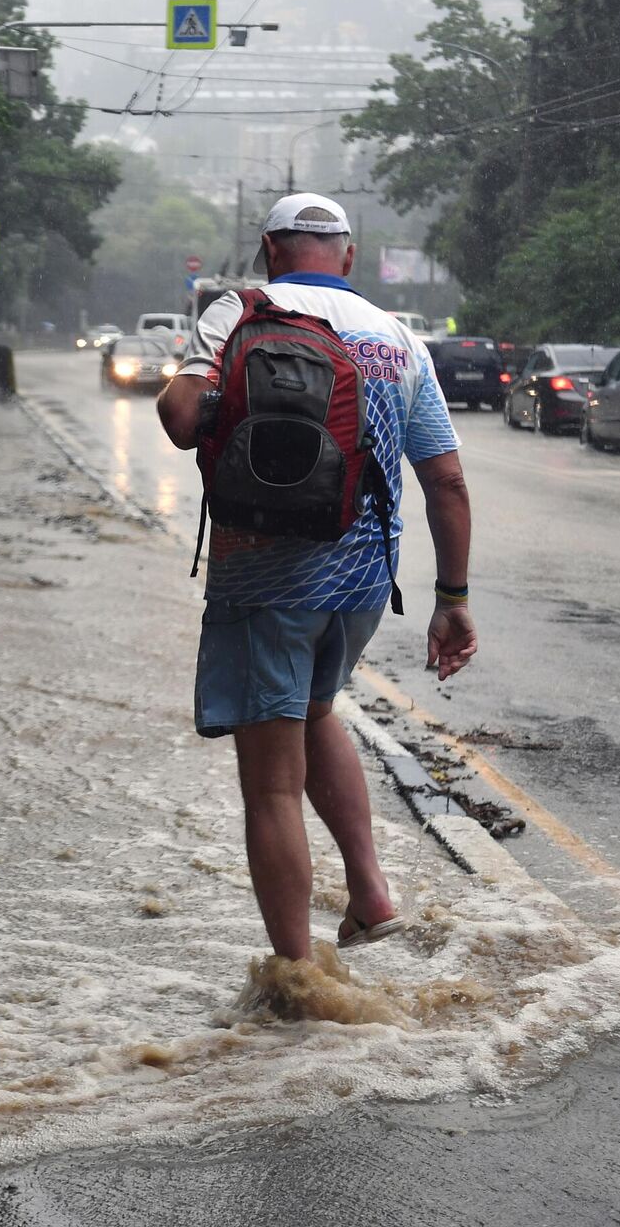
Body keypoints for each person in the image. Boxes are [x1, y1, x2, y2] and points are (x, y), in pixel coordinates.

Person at [157, 193, 476, 963]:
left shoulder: (241, 309)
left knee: (270, 785)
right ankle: (370, 898)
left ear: (271, 248)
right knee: (317, 709)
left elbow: (177, 419)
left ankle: (296, 981)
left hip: (263, 577)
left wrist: (194, 380)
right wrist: (453, 600)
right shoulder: (399, 336)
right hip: (364, 584)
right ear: (349, 256)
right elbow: (448, 483)